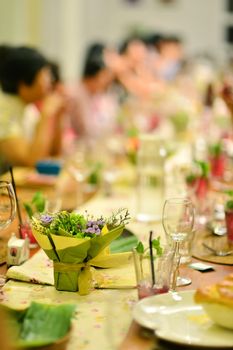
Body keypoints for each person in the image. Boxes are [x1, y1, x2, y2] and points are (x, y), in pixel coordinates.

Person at [0, 45, 66, 167]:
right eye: (45, 75)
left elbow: (53, 152)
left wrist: (58, 117)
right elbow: (33, 161)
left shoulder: (27, 108)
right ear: (24, 83)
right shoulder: (3, 112)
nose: (50, 80)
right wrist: (46, 114)